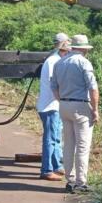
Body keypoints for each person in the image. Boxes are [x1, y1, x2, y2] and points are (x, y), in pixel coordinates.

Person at [50, 34, 100, 193]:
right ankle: (80, 182)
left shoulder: (59, 62)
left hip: (64, 105)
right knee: (82, 146)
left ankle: (70, 180)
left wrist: (62, 101)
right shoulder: (84, 63)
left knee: (68, 145)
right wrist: (95, 110)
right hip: (81, 106)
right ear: (84, 49)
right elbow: (93, 89)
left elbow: (54, 87)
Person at [36, 33, 71, 181]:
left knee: (56, 137)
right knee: (50, 139)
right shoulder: (53, 61)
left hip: (54, 105)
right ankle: (46, 170)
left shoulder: (58, 60)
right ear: (63, 46)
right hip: (49, 106)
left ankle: (57, 166)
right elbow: (54, 85)